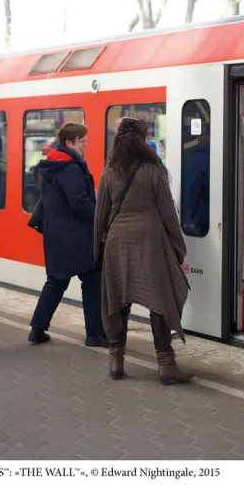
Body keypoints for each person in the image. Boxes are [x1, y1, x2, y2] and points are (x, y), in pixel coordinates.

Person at [94, 117, 193, 385]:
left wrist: (97, 251)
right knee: (160, 298)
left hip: (116, 242)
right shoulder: (153, 170)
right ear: (142, 139)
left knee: (116, 300)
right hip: (149, 241)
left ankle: (116, 361)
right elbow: (168, 212)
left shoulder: (109, 171)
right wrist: (178, 246)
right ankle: (166, 364)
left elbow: (100, 215)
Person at [28, 122, 108, 348]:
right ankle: (95, 334)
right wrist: (100, 219)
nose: (85, 145)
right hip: (76, 233)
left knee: (57, 280)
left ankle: (37, 328)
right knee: (92, 279)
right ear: (69, 142)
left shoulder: (55, 163)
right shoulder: (70, 167)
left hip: (57, 232)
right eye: (82, 141)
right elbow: (79, 203)